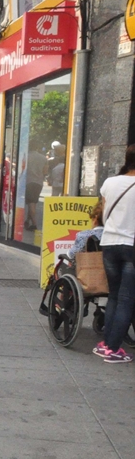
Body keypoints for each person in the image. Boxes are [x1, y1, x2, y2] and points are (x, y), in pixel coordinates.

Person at [94, 145, 135, 364]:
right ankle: (113, 349)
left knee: (114, 295)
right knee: (127, 300)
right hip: (131, 246)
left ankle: (105, 344)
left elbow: (104, 210)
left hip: (109, 243)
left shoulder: (110, 183)